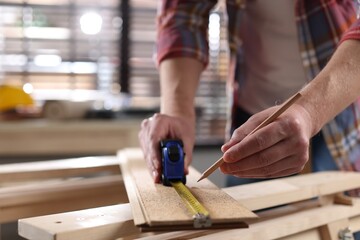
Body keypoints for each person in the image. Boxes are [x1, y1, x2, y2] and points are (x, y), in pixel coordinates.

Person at [138, 0, 360, 192]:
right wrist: (177, 112)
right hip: (253, 119)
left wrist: (309, 112)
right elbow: (183, 14)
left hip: (341, 107)